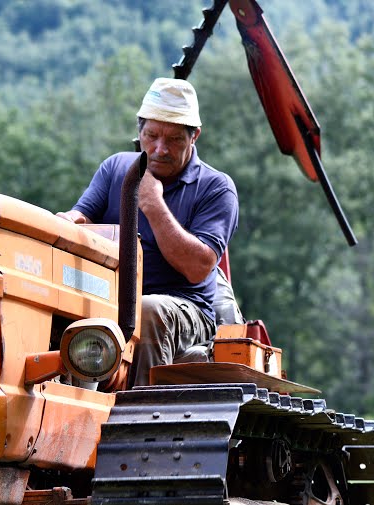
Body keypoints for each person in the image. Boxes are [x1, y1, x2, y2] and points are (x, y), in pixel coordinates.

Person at [57, 77, 239, 387]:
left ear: (194, 136)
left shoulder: (216, 188)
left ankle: (138, 419)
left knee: (150, 310)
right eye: (151, 135)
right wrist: (63, 222)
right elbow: (80, 218)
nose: (159, 149)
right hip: (110, 298)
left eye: (173, 140)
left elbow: (198, 268)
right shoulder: (115, 168)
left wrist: (153, 204)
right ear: (139, 130)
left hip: (187, 309)